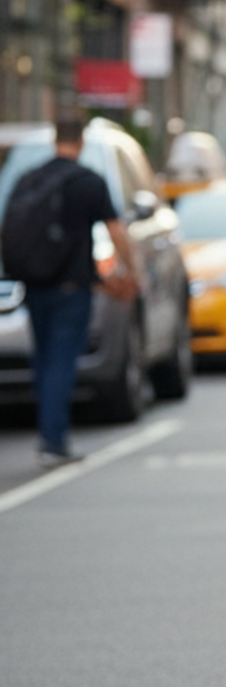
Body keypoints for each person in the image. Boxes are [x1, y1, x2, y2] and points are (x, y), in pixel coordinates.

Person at [5, 116, 138, 466]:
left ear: (55, 140)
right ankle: (53, 440)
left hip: (34, 286)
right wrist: (131, 272)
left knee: (44, 361)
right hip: (71, 289)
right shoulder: (88, 182)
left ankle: (50, 435)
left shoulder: (30, 179)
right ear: (80, 141)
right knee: (61, 364)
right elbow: (117, 232)